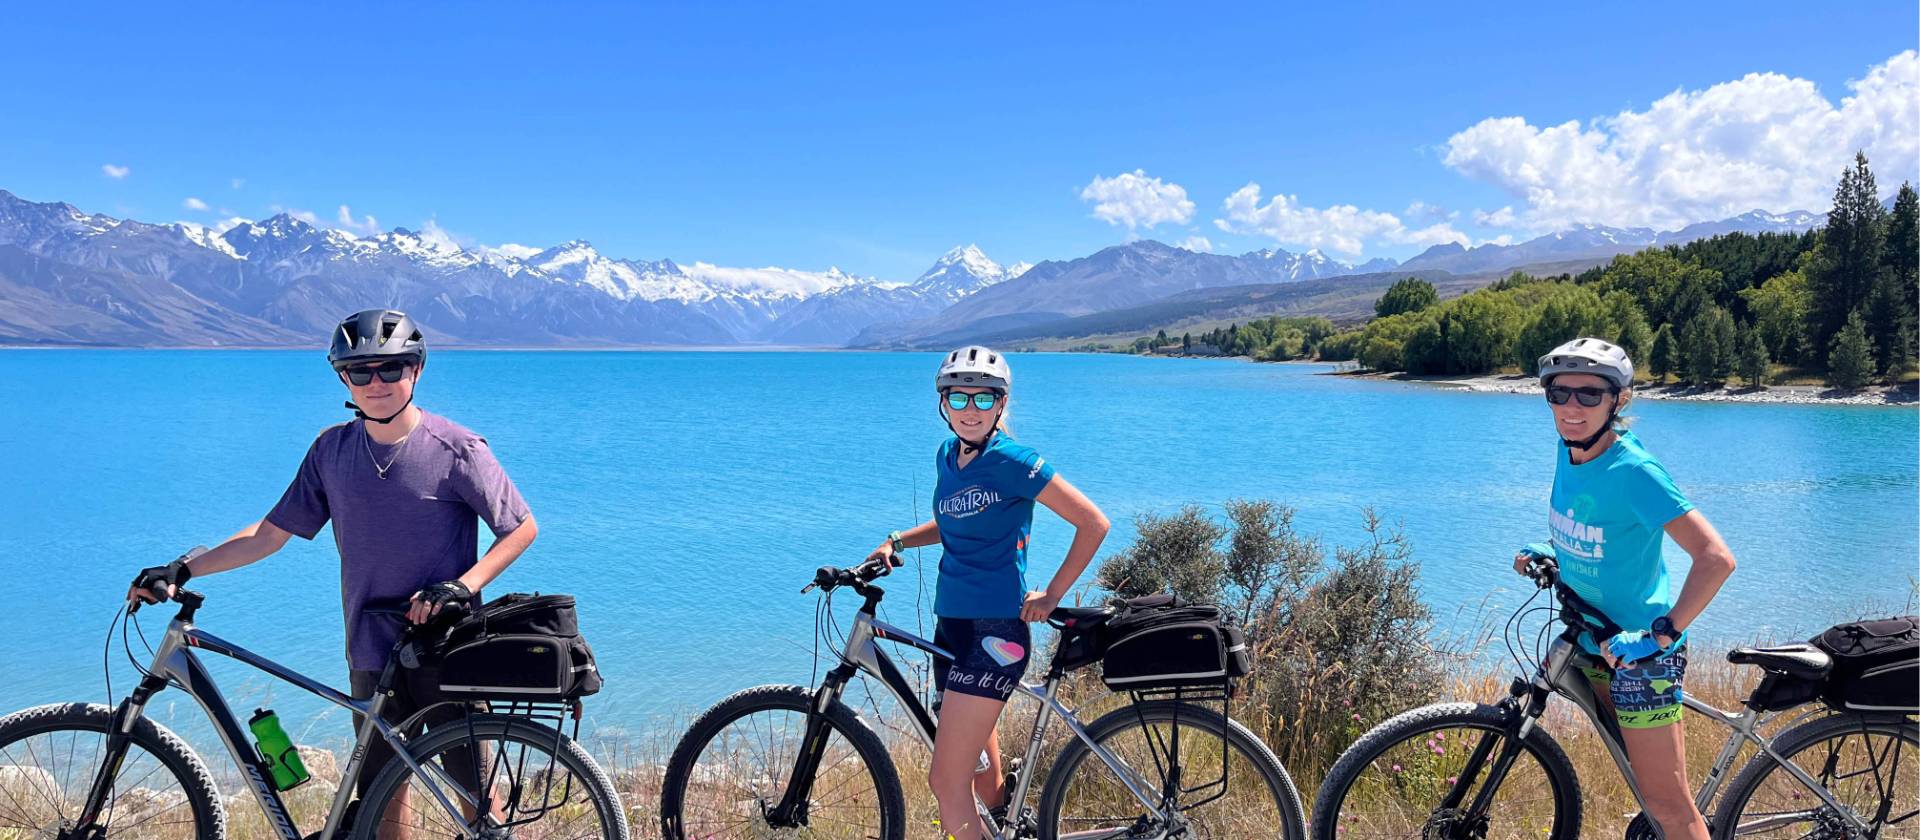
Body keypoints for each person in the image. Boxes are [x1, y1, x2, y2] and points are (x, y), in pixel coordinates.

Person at [128, 308, 538, 832]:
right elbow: (269, 534)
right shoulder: (331, 451)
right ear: (342, 377)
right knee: (382, 793)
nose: (376, 382)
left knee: (475, 794)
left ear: (416, 370)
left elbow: (520, 527)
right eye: (360, 370)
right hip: (370, 644)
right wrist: (184, 569)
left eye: (391, 369)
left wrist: (462, 585)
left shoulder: (458, 448)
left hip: (447, 646)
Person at [867, 345, 1110, 840]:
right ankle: (1005, 827)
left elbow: (1093, 522)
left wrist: (1051, 594)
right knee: (980, 780)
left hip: (995, 633)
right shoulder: (947, 457)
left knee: (944, 781)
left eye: (984, 399)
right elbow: (955, 518)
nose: (971, 410)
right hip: (951, 627)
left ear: (1002, 404)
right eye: (959, 398)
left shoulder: (1014, 462)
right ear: (943, 404)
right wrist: (897, 541)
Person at [1515, 337, 1735, 840]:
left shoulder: (1635, 471)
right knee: (1645, 789)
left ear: (1618, 400)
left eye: (1589, 395)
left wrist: (1660, 635)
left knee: (1669, 807)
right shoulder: (1569, 450)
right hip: (1591, 638)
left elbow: (1716, 559)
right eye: (1559, 393)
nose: (1572, 408)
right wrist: (1552, 552)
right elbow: (1593, 527)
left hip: (1641, 657)